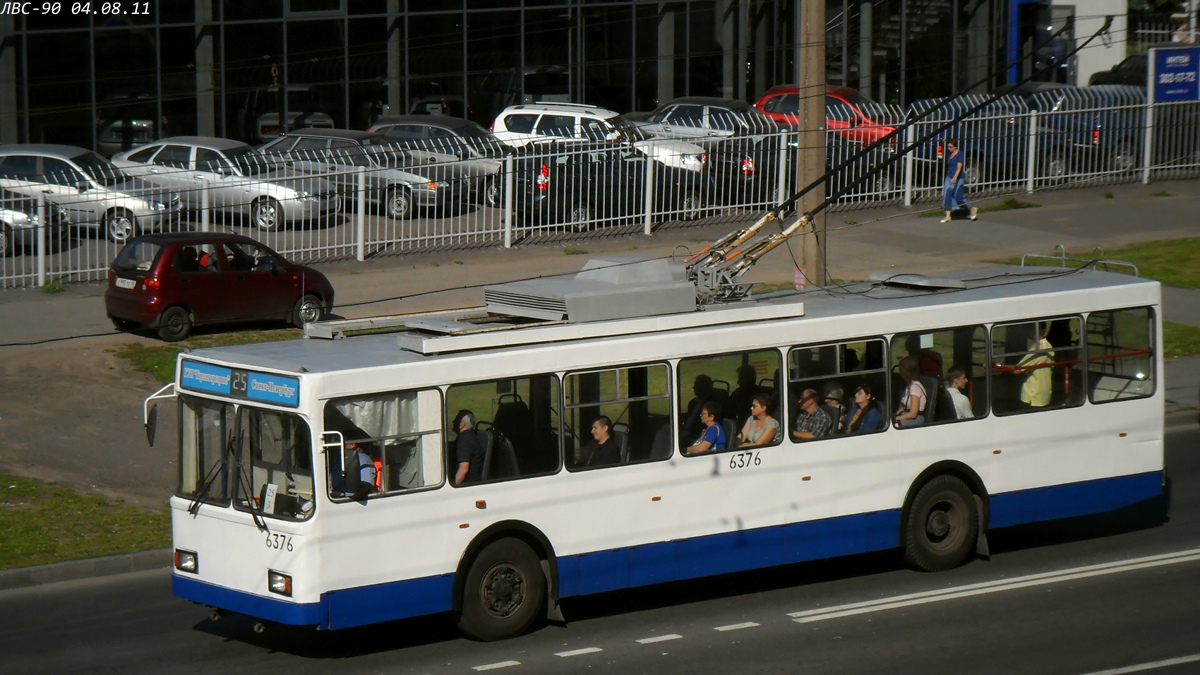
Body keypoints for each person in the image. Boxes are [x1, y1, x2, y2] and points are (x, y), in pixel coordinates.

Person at [1015, 324, 1055, 408]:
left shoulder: (1039, 349)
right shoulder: (1049, 346)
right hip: (1044, 395)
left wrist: (996, 365)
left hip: (1033, 396)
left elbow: (1017, 370)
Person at [940, 139, 978, 223]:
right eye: (948, 147)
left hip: (959, 178)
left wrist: (955, 178)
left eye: (950, 147)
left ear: (955, 147)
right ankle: (948, 216)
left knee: (958, 197)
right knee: (947, 195)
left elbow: (959, 168)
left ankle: (971, 208)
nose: (949, 148)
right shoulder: (950, 155)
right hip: (949, 177)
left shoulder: (960, 155)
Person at [452, 409, 485, 485]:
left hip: (468, 485)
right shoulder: (469, 436)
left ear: (462, 424)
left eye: (456, 419)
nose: (453, 421)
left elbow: (463, 470)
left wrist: (451, 487)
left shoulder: (465, 441)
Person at [894, 357, 927, 427]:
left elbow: (913, 414)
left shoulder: (915, 388)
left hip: (915, 420)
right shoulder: (909, 386)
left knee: (894, 425)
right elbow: (905, 407)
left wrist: (896, 418)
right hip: (906, 415)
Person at [682, 374, 715, 441]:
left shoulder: (710, 405)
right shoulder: (692, 402)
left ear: (704, 387)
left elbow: (705, 426)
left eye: (697, 385)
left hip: (696, 436)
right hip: (685, 432)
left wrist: (689, 435)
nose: (693, 387)